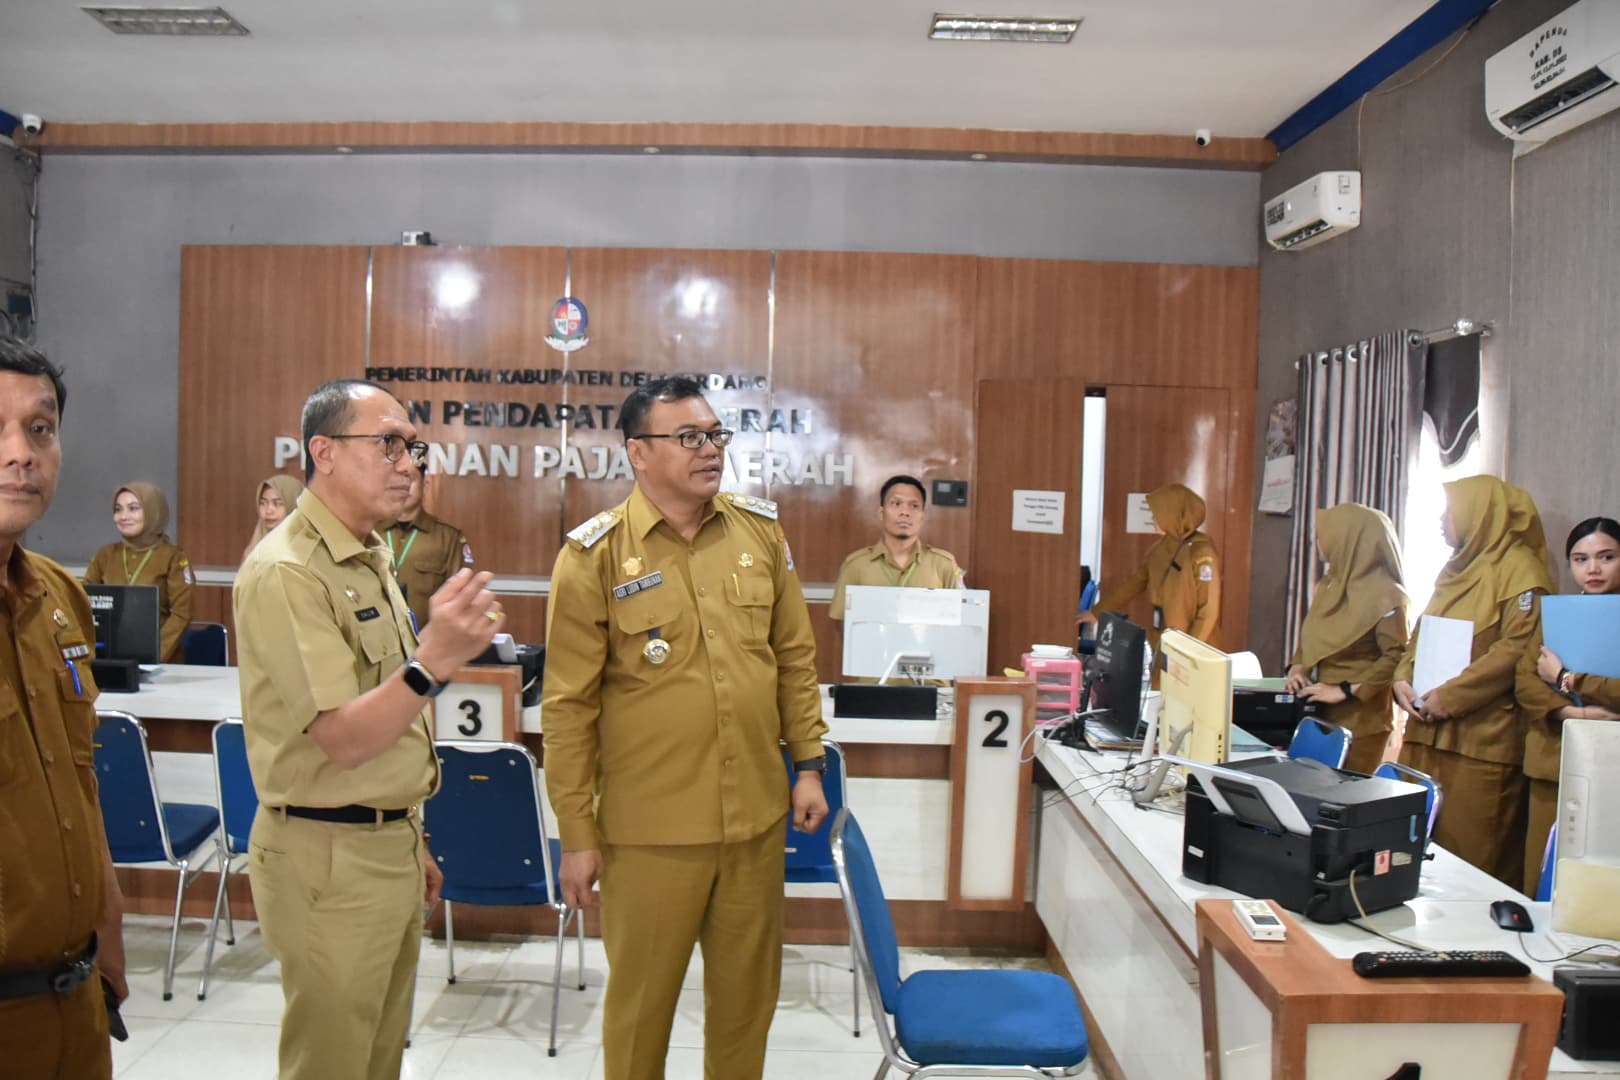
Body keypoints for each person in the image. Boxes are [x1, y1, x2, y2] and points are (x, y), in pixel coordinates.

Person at [544, 374, 828, 1080]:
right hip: (650, 835)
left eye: (715, 436)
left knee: (745, 1013)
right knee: (641, 1015)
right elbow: (568, 708)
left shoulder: (759, 534)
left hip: (755, 822)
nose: (710, 451)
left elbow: (793, 656)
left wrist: (810, 763)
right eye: (689, 438)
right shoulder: (592, 558)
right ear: (639, 453)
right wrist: (577, 833)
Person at [234, 378, 499, 1080]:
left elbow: (386, 727)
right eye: (388, 444)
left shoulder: (367, 553)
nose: (408, 463)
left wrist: (411, 838)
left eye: (412, 447)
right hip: (326, 858)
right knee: (332, 1065)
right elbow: (342, 739)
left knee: (378, 1061)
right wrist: (433, 660)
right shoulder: (288, 571)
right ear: (322, 451)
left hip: (384, 844)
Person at [0, 334, 128, 1079]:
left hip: (74, 1003)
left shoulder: (60, 597)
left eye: (40, 429)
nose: (21, 453)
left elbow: (78, 782)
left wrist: (107, 920)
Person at [1392, 476, 1552, 889]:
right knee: (1417, 854)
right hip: (1427, 731)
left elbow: (1516, 650)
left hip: (1481, 743)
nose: (1442, 522)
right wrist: (1401, 680)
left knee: (1472, 865)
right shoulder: (1457, 568)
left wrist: (1450, 696)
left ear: (1479, 513)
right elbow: (1419, 635)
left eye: (1449, 512)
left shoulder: (1522, 571)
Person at [1514, 516, 1620, 893]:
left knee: (1601, 880)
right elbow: (1526, 680)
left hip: (1612, 760)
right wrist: (1574, 710)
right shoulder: (1558, 612)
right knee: (1544, 873)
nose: (1592, 569)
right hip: (1553, 757)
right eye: (1580, 559)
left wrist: (1569, 680)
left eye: (1606, 557)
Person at [1284, 503, 1410, 774]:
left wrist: (1345, 690)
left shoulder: (1388, 596)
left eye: (1324, 535)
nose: (1319, 542)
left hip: (1362, 719)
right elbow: (1314, 632)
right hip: (1319, 711)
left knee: (1342, 801)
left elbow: (1397, 657)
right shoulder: (1330, 585)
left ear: (1349, 539)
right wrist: (1299, 666)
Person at [1078, 482, 1220, 656]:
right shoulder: (1159, 548)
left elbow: (1208, 611)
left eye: (1158, 514)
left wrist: (1189, 651)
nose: (1153, 519)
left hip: (1193, 648)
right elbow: (1133, 583)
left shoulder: (1201, 553)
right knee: (1157, 683)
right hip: (1162, 640)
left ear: (1173, 514)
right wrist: (1097, 612)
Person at [83, 482, 193, 662]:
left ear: (152, 512)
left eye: (133, 509)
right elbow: (83, 600)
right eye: (118, 509)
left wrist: (154, 654)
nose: (123, 516)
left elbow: (181, 615)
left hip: (162, 664)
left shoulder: (173, 557)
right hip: (109, 658)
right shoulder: (105, 555)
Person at [828, 474, 964, 619]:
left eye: (914, 506)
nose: (905, 512)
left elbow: (959, 619)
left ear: (922, 517)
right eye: (896, 504)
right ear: (881, 513)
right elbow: (842, 622)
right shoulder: (856, 565)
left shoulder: (943, 565)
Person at [380, 463, 473, 631]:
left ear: (425, 485)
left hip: (426, 643)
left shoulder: (447, 537)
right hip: (377, 644)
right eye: (397, 479)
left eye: (410, 479)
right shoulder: (371, 533)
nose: (404, 485)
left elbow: (459, 597)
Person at [241, 473, 304, 563]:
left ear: (293, 505)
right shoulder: (253, 549)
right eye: (263, 503)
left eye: (277, 503)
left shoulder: (307, 550)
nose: (268, 511)